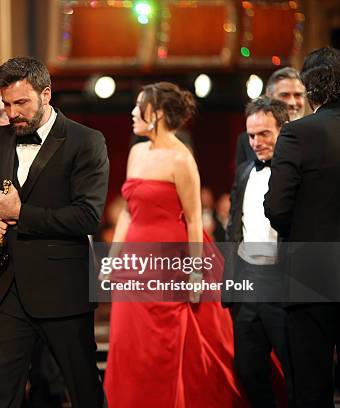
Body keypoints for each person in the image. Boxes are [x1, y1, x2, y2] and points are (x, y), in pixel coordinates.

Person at [0, 56, 109, 408]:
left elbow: (88, 216)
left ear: (46, 94)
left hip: (63, 291)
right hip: (5, 289)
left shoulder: (86, 141)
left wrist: (21, 213)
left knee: (83, 391)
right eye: (6, 104)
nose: (12, 112)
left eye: (21, 103)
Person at [103, 82, 244, 407]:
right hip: (134, 264)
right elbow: (128, 210)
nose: (133, 113)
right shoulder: (137, 152)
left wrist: (195, 273)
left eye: (140, 108)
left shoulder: (182, 159)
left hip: (170, 262)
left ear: (159, 114)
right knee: (128, 345)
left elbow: (195, 220)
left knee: (164, 349)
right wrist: (111, 259)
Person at [264, 46, 340, 407]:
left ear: (311, 92)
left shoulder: (297, 134)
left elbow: (276, 207)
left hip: (310, 275)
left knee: (312, 386)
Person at [225, 97, 292, 406]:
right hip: (248, 286)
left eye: (264, 133)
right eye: (251, 135)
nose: (256, 142)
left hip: (285, 284)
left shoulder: (298, 172)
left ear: (283, 129)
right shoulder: (243, 172)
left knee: (297, 373)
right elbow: (233, 228)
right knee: (249, 371)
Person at [235, 67, 306, 167]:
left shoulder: (316, 136)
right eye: (284, 95)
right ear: (269, 97)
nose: (292, 102)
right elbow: (241, 180)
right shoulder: (246, 140)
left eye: (298, 95)